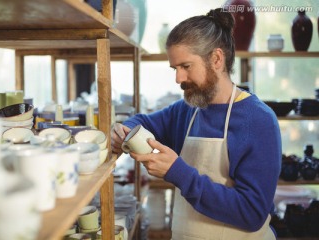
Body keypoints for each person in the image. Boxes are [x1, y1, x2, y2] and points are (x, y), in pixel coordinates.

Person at [111, 8, 281, 240]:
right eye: (175, 68)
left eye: (186, 67)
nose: (178, 79)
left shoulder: (258, 121)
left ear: (217, 59)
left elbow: (252, 214)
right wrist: (123, 130)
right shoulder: (188, 110)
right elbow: (142, 121)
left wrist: (177, 173)